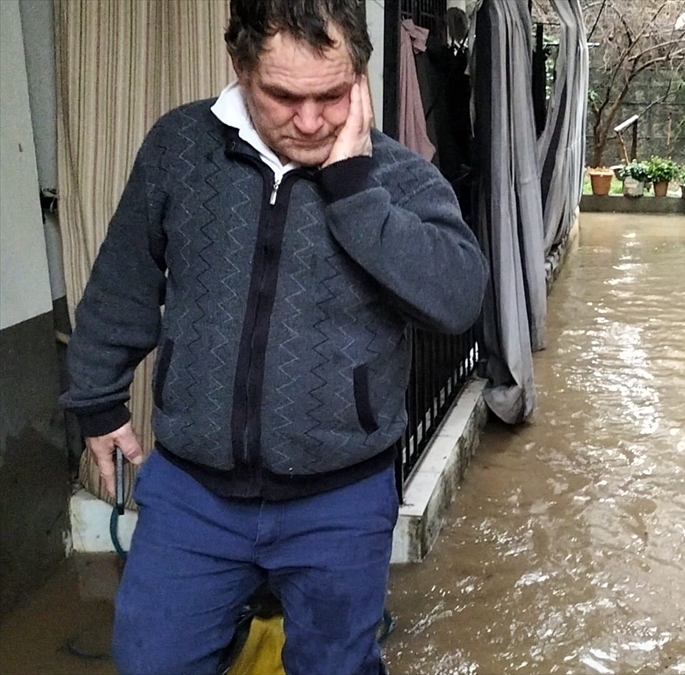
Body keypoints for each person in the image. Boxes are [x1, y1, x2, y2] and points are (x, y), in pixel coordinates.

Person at [60, 1, 487, 673]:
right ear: (239, 65)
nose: (311, 121)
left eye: (332, 94)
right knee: (151, 658)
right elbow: (124, 276)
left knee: (336, 665)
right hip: (192, 494)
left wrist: (353, 191)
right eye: (283, 96)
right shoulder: (180, 146)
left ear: (361, 75)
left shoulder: (398, 176)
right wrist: (98, 398)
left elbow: (459, 297)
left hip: (341, 499)